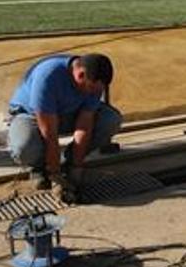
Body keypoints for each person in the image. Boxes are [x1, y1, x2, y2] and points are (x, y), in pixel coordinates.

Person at [7, 53, 122, 191]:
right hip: (31, 115)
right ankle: (40, 166)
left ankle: (68, 162)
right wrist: (55, 175)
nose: (93, 93)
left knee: (111, 120)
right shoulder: (48, 76)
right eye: (91, 88)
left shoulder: (94, 82)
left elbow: (84, 125)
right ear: (80, 75)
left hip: (68, 113)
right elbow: (49, 134)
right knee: (24, 147)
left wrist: (76, 166)